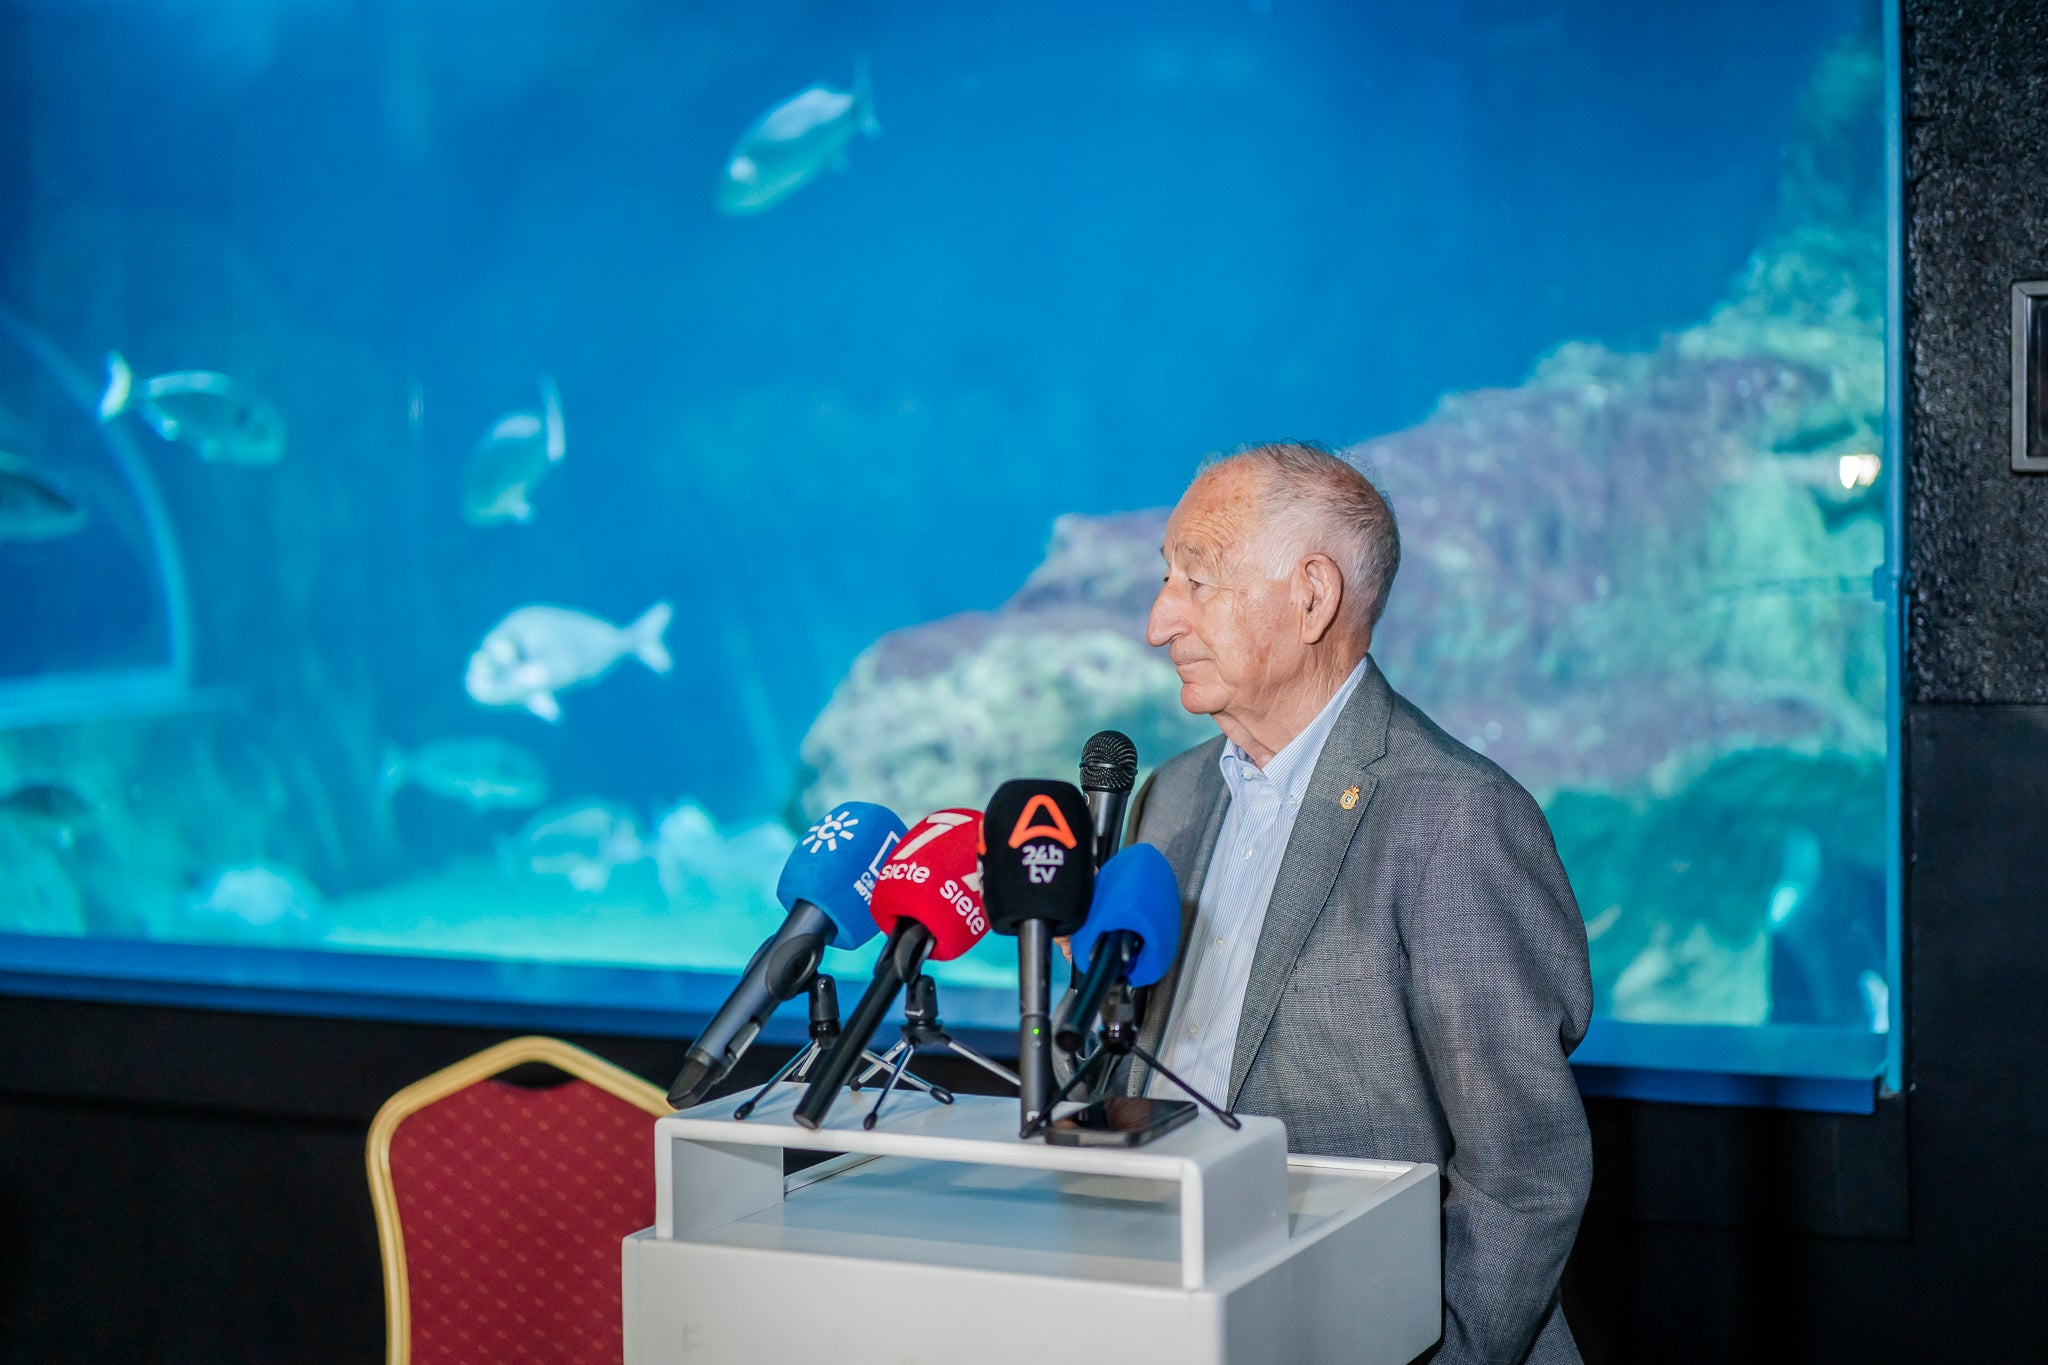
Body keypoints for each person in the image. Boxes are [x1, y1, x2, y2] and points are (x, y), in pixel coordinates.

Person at [1121, 441, 1592, 1363]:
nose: (1158, 620)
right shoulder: (1167, 797)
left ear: (1312, 596)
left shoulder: (1456, 816)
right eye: (1166, 578)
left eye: (1196, 580)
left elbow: (1525, 1176)